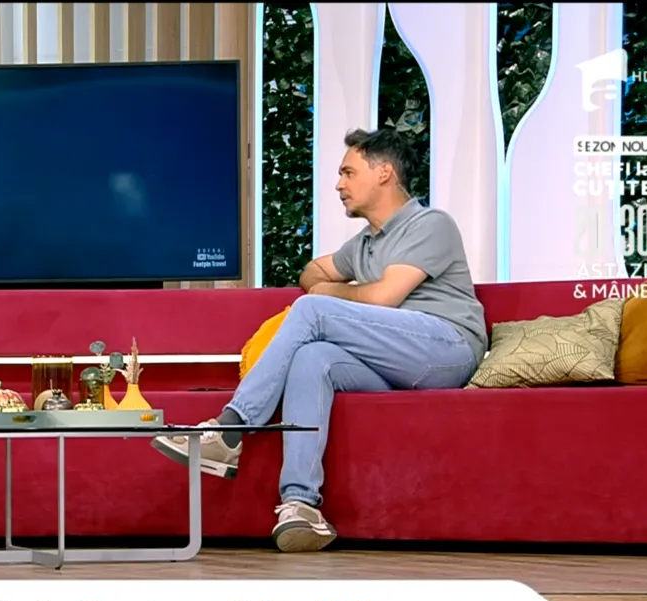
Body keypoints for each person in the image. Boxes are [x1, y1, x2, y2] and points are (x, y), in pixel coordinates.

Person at [153, 128, 487, 553]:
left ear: (384, 172)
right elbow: (311, 272)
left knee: (312, 311)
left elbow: (382, 298)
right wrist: (328, 288)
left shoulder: (429, 224)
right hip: (395, 359)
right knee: (312, 359)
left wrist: (327, 294)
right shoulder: (365, 244)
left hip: (446, 348)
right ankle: (301, 504)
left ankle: (230, 430)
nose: (338, 184)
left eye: (349, 172)